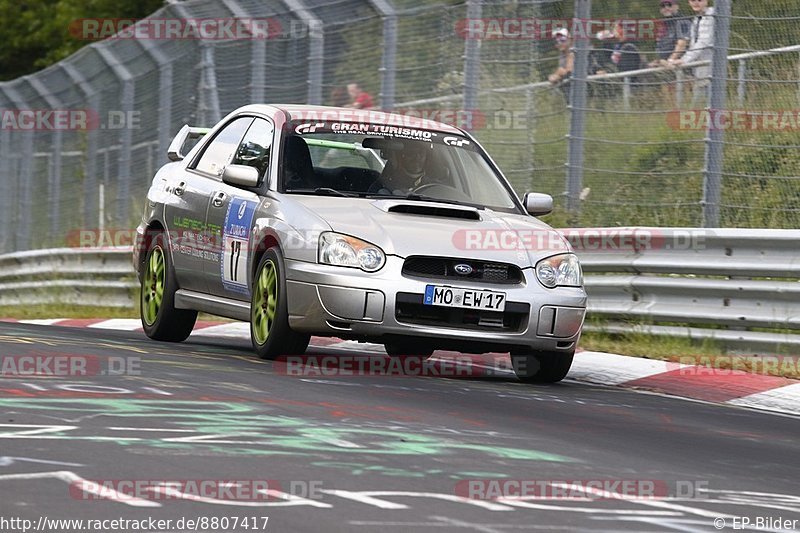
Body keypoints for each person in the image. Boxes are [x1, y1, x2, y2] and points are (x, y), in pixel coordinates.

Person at [669, 0, 714, 104]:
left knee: (701, 103)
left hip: (711, 66)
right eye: (693, 0)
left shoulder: (711, 16)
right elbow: (694, 43)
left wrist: (684, 60)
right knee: (701, 103)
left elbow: (703, 42)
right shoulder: (697, 18)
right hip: (700, 67)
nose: (696, 3)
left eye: (699, 0)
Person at [369, 140, 433, 195]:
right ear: (400, 157)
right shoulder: (382, 186)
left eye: (421, 153)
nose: (417, 158)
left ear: (427, 157)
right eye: (411, 153)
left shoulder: (434, 184)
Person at [649, 0, 691, 67]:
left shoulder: (682, 21)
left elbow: (682, 44)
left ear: (677, 6)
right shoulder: (662, 24)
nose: (666, 8)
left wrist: (670, 60)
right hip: (664, 64)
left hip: (678, 65)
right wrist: (658, 61)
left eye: (669, 5)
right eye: (663, 6)